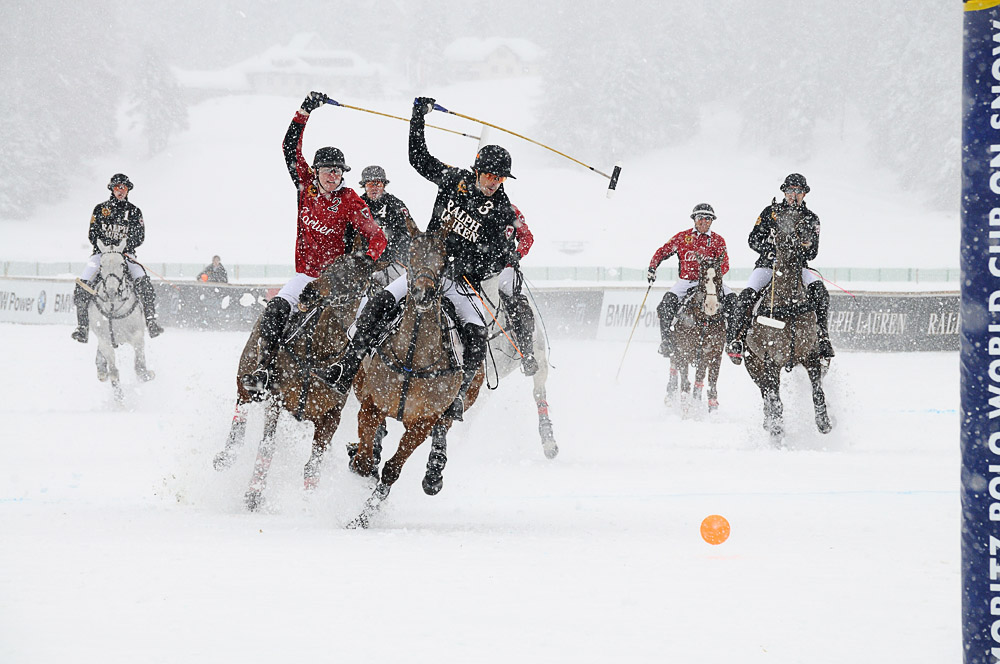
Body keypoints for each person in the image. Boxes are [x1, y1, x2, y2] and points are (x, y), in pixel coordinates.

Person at [314, 96, 520, 422]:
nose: (494, 183)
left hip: (456, 278)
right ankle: (346, 367)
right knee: (380, 304)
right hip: (426, 266)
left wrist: (468, 263)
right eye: (490, 176)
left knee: (476, 333)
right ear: (477, 170)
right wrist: (417, 118)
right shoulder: (454, 180)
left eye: (500, 178)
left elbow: (495, 258)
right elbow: (418, 158)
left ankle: (459, 393)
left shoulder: (501, 210)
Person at [240, 91, 387, 395]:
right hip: (306, 274)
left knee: (366, 325)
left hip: (338, 282)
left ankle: (355, 380)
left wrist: (363, 262)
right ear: (316, 172)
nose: (334, 176)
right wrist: (305, 110)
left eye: (338, 171)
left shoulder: (350, 200)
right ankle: (263, 370)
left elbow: (377, 237)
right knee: (277, 308)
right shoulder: (304, 186)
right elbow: (289, 146)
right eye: (328, 170)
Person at [725, 173, 834, 365]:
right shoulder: (770, 212)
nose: (794, 195)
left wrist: (804, 247)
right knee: (747, 295)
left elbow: (813, 252)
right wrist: (769, 251)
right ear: (784, 191)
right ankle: (736, 340)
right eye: (791, 190)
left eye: (798, 191)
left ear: (804, 194)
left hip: (797, 268)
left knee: (820, 291)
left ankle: (823, 337)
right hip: (768, 266)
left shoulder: (811, 219)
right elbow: (753, 239)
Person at [71, 173, 163, 343]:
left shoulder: (134, 211)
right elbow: (92, 234)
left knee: (143, 281)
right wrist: (108, 247)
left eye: (123, 188)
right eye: (117, 188)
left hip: (126, 255)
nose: (120, 191)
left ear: (128, 190)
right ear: (112, 189)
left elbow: (140, 236)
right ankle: (82, 327)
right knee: (82, 284)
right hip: (101, 254)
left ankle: (150, 321)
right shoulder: (100, 209)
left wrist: (124, 247)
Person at [647, 203, 735, 357]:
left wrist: (712, 274)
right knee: (667, 302)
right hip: (686, 281)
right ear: (694, 219)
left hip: (710, 282)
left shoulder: (718, 240)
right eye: (700, 217)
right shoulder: (682, 237)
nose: (704, 221)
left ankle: (733, 340)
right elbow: (663, 251)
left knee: (734, 300)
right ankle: (666, 341)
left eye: (708, 218)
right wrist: (653, 267)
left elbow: (725, 264)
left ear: (712, 221)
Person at [350, 165, 418, 288]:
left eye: (378, 184)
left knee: (397, 297)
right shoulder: (357, 205)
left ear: (384, 185)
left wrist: (394, 252)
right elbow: (348, 234)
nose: (374, 188)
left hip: (391, 264)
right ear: (364, 186)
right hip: (363, 265)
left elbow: (409, 232)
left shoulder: (395, 204)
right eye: (370, 184)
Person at [497, 204, 539, 375]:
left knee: (520, 306)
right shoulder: (471, 205)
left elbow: (527, 237)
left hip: (505, 270)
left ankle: (527, 354)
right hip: (477, 270)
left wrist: (518, 253)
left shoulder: (510, 210)